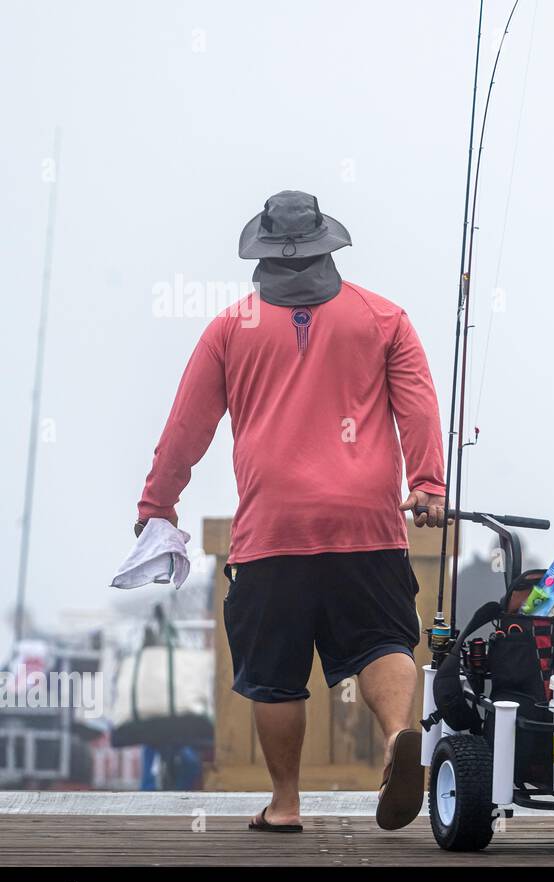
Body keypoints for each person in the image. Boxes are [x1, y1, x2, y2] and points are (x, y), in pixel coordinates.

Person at [134, 190, 447, 830]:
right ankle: (395, 740)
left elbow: (184, 431)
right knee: (384, 638)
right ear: (328, 245)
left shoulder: (229, 328)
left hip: (272, 529)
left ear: (263, 253)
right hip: (365, 524)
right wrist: (428, 486)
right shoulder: (382, 317)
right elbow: (418, 406)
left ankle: (284, 804)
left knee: (274, 676)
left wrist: (157, 502)